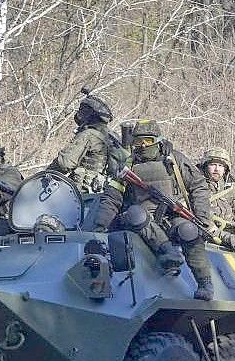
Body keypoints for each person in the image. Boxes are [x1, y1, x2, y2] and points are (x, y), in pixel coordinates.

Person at [91, 119, 214, 300]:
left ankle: (205, 283)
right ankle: (168, 253)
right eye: (137, 142)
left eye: (147, 141)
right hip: (140, 221)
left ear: (157, 140)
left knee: (189, 230)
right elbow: (112, 197)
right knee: (136, 214)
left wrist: (202, 218)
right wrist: (100, 226)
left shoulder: (174, 161)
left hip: (171, 216)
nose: (141, 146)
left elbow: (199, 186)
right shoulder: (128, 165)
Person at [47, 88, 124, 193]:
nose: (80, 115)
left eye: (83, 111)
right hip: (104, 194)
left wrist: (44, 175)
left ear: (90, 114)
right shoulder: (112, 136)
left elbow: (65, 163)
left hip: (82, 194)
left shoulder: (89, 134)